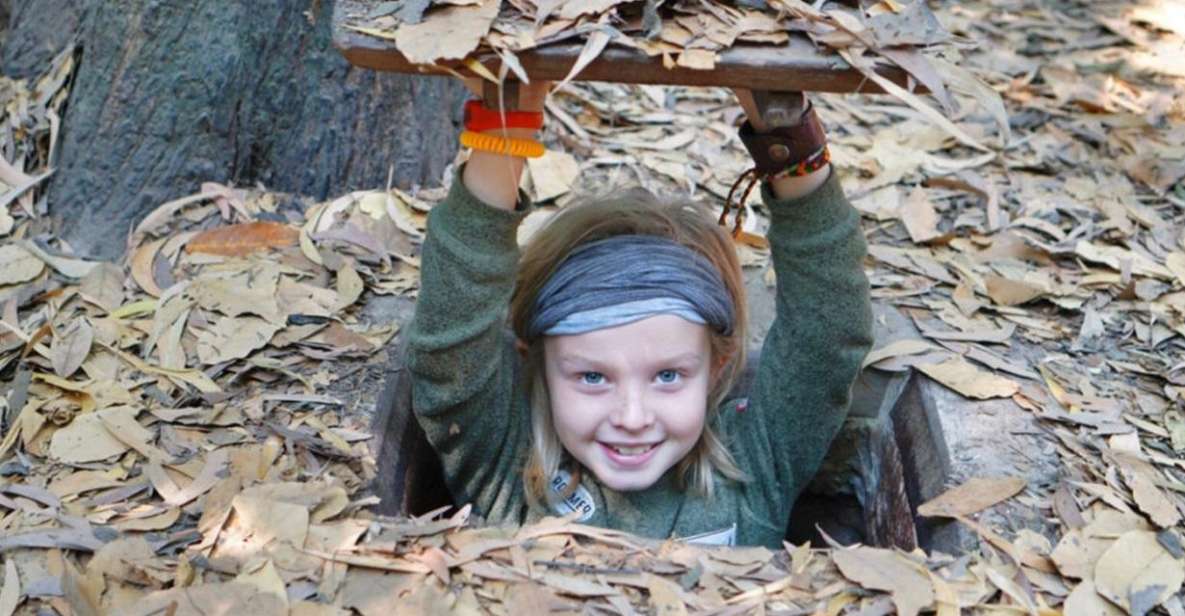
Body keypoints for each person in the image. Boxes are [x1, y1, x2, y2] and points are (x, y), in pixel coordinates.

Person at [405, 81, 873, 548]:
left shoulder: (755, 463)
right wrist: (503, 126)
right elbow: (452, 348)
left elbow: (826, 337)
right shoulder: (509, 468)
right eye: (592, 377)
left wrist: (787, 137)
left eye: (668, 376)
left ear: (717, 368)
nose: (632, 417)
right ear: (536, 364)